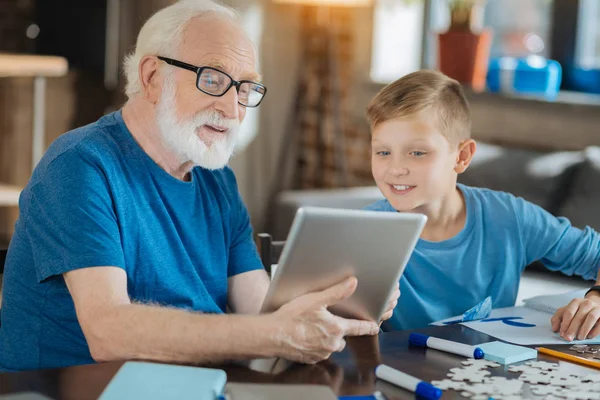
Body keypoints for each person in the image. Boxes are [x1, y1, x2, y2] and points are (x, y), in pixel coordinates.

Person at [0, 0, 398, 372]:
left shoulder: (218, 180)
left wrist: (343, 304)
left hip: (190, 382)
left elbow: (260, 308)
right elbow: (108, 332)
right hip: (75, 388)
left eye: (245, 88)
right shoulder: (80, 165)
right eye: (213, 79)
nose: (234, 108)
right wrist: (277, 334)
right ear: (152, 77)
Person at [364, 69, 600, 341]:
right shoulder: (364, 233)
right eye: (383, 152)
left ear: (462, 156)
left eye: (417, 152)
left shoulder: (508, 216)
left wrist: (596, 298)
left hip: (492, 375)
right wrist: (365, 317)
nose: (395, 169)